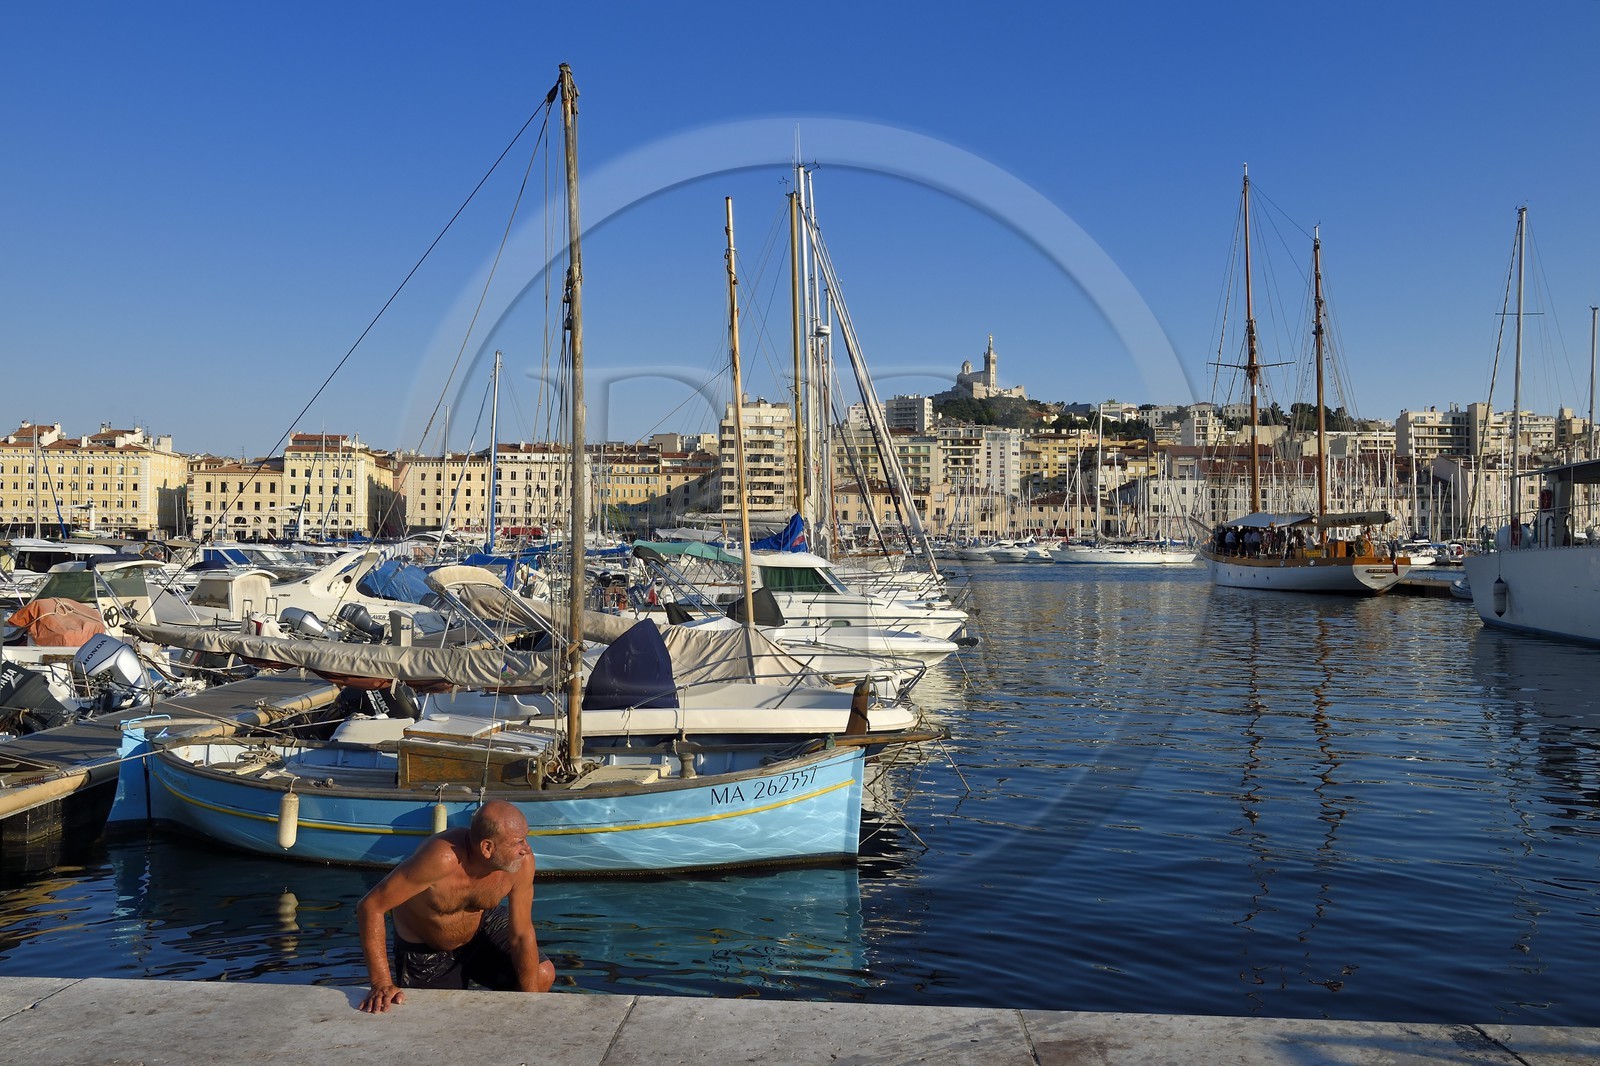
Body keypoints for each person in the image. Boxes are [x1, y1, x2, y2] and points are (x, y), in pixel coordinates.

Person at [357, 800, 555, 1012]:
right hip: (426, 945)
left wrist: (532, 1006)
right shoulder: (441, 859)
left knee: (541, 975)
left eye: (525, 838)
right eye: (518, 842)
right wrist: (380, 983)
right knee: (436, 1018)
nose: (526, 849)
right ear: (487, 847)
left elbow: (522, 934)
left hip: (480, 927)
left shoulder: (521, 864)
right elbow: (370, 906)